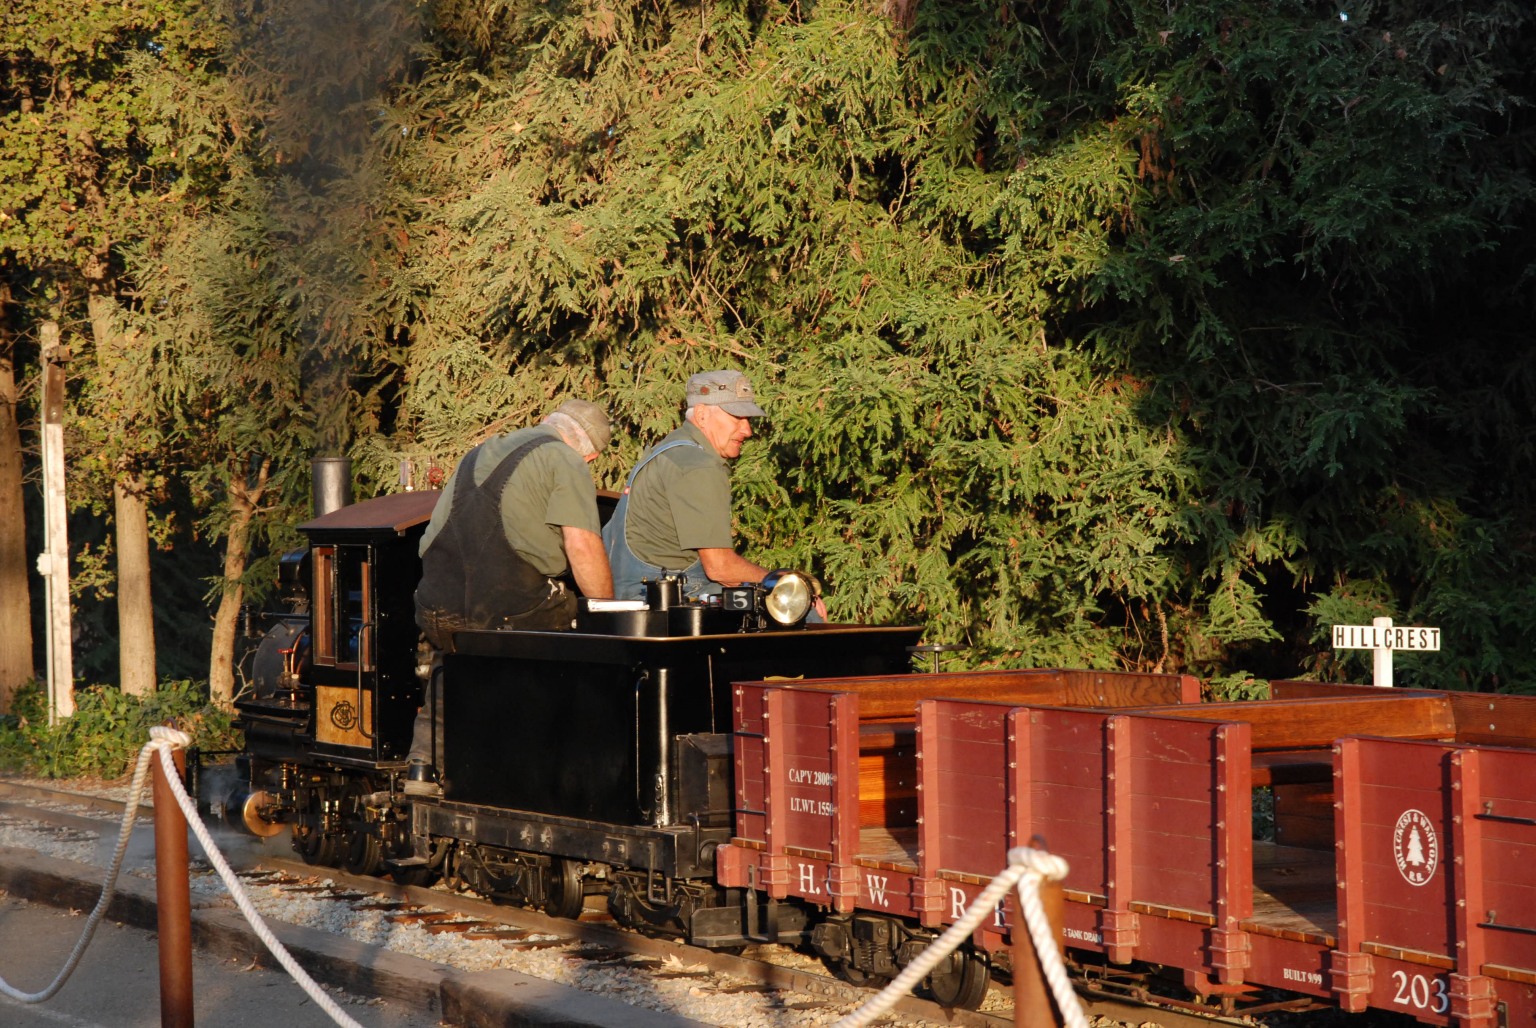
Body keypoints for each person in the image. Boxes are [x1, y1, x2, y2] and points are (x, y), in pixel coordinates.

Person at [406, 398, 614, 795]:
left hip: (437, 604)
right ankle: (548, 766)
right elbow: (582, 547)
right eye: (590, 460)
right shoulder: (564, 459)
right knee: (572, 622)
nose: (586, 466)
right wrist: (606, 611)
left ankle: (422, 765)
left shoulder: (479, 452)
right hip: (506, 607)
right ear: (586, 450)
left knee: (452, 658)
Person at [603, 369, 826, 618]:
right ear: (702, 415)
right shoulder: (699, 465)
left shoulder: (667, 450)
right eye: (737, 417)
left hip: (632, 595)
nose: (747, 431)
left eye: (749, 419)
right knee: (803, 610)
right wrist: (785, 585)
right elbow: (720, 568)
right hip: (668, 603)